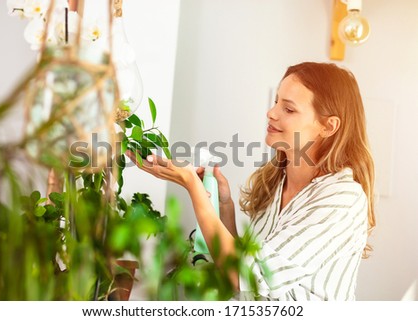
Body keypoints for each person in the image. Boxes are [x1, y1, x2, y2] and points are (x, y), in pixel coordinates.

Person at [126, 62, 375, 300]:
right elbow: (242, 261)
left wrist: (193, 188)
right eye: (276, 101)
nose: (271, 112)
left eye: (288, 109)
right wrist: (223, 205)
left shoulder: (342, 199)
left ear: (328, 126)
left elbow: (245, 277)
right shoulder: (277, 181)